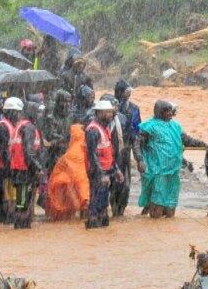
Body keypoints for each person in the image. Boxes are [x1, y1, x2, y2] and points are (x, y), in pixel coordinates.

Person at [138, 100, 205, 218]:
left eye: (170, 111)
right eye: (167, 111)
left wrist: (203, 144)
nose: (170, 113)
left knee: (171, 207)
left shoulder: (175, 126)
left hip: (174, 170)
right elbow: (137, 144)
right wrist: (140, 160)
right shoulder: (149, 127)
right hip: (158, 171)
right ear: (159, 112)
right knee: (157, 205)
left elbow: (186, 140)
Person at [0, 97, 45, 229]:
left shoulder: (22, 126)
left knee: (22, 201)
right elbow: (28, 152)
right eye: (37, 112)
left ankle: (21, 227)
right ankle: (21, 227)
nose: (40, 115)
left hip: (21, 169)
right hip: (23, 170)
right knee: (21, 202)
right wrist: (38, 168)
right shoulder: (27, 127)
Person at [85, 99, 123, 228]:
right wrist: (101, 174)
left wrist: (116, 169)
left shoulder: (104, 128)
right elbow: (92, 155)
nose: (111, 115)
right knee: (96, 201)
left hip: (106, 170)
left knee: (103, 201)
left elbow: (109, 152)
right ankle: (93, 224)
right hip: (97, 171)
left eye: (111, 112)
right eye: (108, 112)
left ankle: (100, 227)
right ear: (100, 113)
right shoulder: (93, 130)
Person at [45, 124, 89, 221]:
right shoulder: (76, 151)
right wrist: (85, 198)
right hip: (61, 185)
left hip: (61, 185)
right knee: (64, 212)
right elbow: (80, 177)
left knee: (66, 213)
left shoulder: (76, 148)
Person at [112, 80, 143, 217]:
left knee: (125, 184)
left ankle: (121, 210)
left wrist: (138, 157)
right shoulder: (109, 107)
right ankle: (113, 209)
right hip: (111, 151)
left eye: (130, 90)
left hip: (126, 150)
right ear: (119, 92)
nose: (129, 93)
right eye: (126, 90)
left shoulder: (134, 109)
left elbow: (138, 131)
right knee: (112, 183)